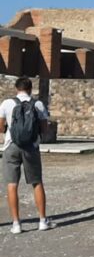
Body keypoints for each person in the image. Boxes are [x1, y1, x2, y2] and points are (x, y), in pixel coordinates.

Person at [1, 77, 51, 234]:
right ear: (31, 88)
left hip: (11, 146)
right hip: (31, 147)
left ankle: (16, 223)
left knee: (12, 184)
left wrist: (9, 132)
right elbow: (44, 128)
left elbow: (0, 126)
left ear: (16, 88)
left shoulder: (7, 103)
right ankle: (42, 220)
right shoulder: (37, 104)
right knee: (37, 182)